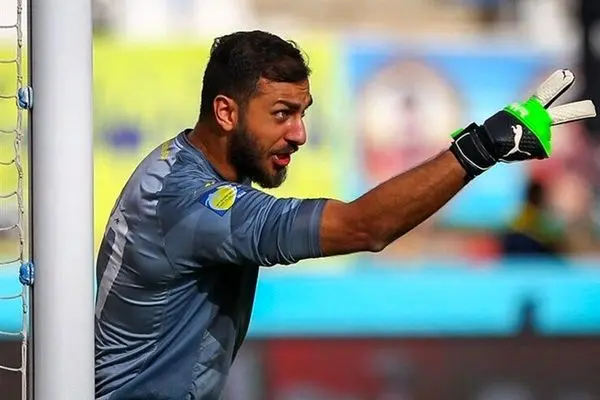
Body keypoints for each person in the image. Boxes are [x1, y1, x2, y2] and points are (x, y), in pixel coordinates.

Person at [94, 30, 595, 400]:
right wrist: (478, 149)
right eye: (282, 114)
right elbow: (363, 227)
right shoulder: (190, 202)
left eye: (303, 113)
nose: (299, 135)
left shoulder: (184, 164)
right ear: (226, 113)